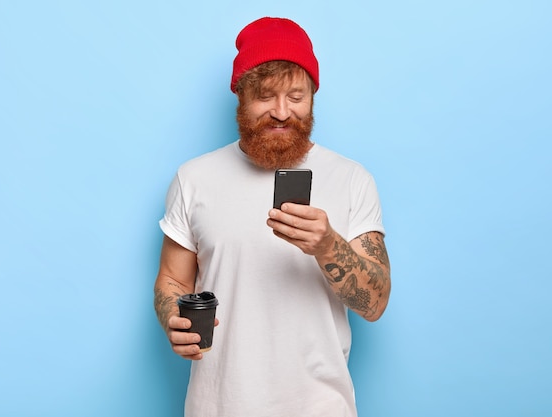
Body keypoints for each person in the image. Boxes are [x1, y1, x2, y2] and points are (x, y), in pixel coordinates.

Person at [154, 16, 391, 417]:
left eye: (296, 96)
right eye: (265, 96)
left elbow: (376, 302)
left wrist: (328, 245)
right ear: (241, 96)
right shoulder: (194, 178)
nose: (282, 112)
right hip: (217, 406)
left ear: (313, 95)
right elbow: (174, 279)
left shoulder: (352, 179)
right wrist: (173, 316)